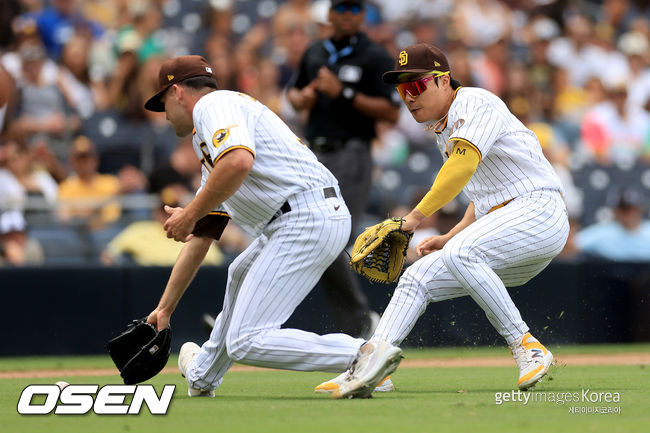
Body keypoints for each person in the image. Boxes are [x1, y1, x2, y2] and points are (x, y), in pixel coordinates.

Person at [320, 43, 570, 399]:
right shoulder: (444, 126)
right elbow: (482, 193)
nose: (409, 96)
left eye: (417, 85)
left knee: (461, 252)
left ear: (442, 81)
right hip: (509, 229)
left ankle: (526, 345)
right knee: (416, 277)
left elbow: (463, 166)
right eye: (402, 89)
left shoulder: (473, 102)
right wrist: (452, 234)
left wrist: (414, 219)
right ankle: (372, 366)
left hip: (539, 212)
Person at [143, 55, 373, 397]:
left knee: (246, 341)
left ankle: (362, 355)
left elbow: (238, 161)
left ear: (176, 92)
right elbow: (205, 233)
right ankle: (203, 374)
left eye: (162, 102)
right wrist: (165, 308)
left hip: (304, 215)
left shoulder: (213, 105)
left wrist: (189, 212)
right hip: (299, 216)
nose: (163, 113)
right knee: (238, 271)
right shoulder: (211, 134)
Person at [287, 0, 400, 339]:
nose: (349, 15)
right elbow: (293, 93)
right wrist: (301, 97)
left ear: (363, 15)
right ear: (331, 13)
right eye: (343, 8)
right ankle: (360, 325)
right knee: (306, 236)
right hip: (313, 155)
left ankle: (360, 325)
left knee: (330, 239)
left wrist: (345, 93)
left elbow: (392, 113)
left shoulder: (374, 56)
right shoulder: (315, 51)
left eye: (355, 9)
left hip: (352, 154)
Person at [576, 186, 650, 261]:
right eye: (623, 209)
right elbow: (572, 245)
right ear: (615, 211)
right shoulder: (603, 232)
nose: (628, 214)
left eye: (631, 209)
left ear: (640, 209)